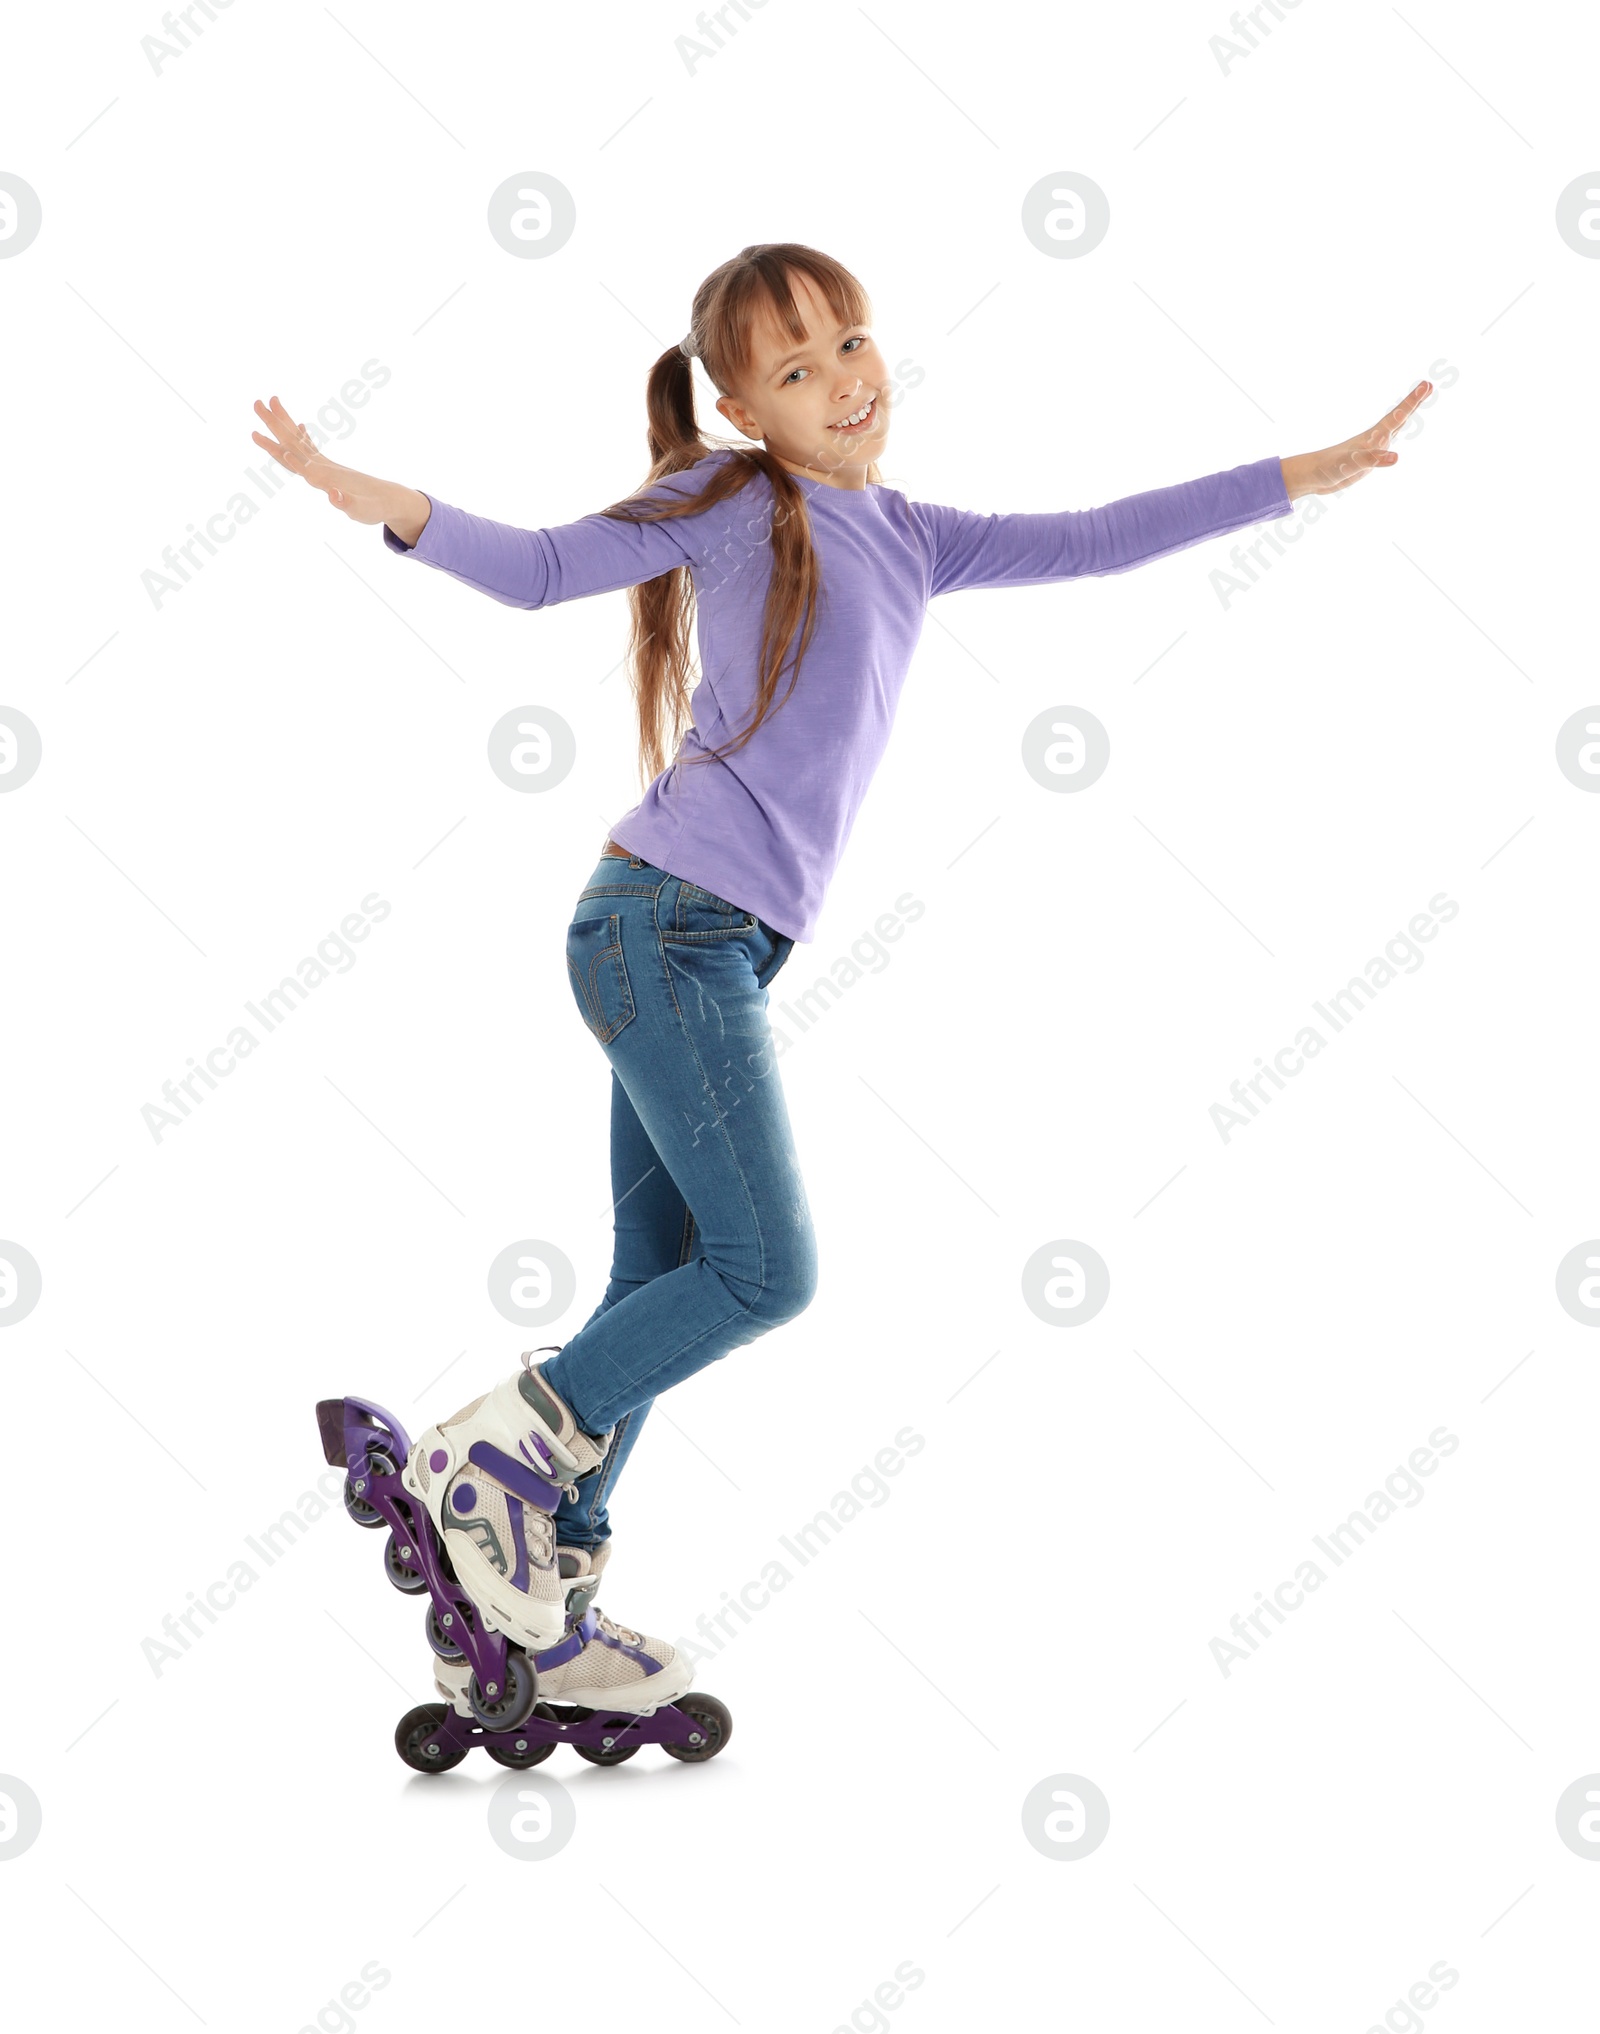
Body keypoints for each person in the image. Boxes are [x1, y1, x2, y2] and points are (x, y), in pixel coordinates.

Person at [254, 240, 1429, 1711]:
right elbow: (551, 567)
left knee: (660, 1282)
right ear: (744, 408)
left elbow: (1098, 535)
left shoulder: (916, 536)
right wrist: (392, 505)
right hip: (661, 926)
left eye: (852, 343)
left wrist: (1297, 473)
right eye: (794, 369)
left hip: (701, 940)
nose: (842, 382)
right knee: (764, 1273)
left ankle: (539, 1589)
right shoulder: (735, 499)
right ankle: (496, 1455)